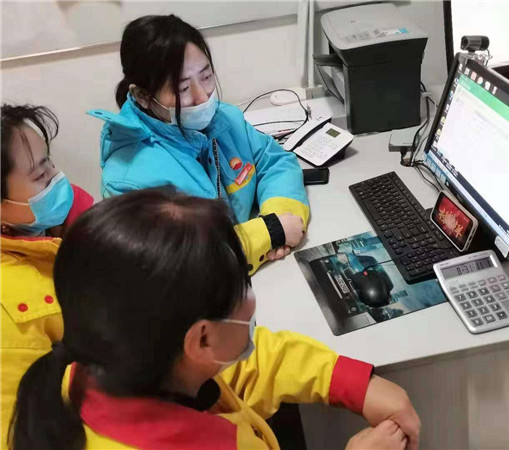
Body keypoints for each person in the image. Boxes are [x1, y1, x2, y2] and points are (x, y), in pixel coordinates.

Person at [9, 188, 420, 449]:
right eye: (242, 286)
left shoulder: (91, 372)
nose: (250, 298)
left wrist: (347, 380)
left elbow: (238, 369)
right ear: (201, 338)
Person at [88, 14, 309, 275]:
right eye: (182, 88)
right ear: (143, 96)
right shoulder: (128, 180)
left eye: (206, 77)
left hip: (263, 274)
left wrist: (280, 214)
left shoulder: (226, 119)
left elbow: (275, 162)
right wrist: (269, 232)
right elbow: (176, 265)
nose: (202, 96)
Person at [0, 104, 94, 449]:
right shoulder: (9, 311)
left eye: (50, 164)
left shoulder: (69, 224)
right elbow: (16, 432)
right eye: (41, 177)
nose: (58, 179)